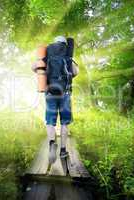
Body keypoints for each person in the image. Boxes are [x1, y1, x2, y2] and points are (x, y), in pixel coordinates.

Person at [32, 36, 79, 164]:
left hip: (50, 92)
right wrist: (70, 64)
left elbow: (35, 67)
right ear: (64, 43)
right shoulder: (68, 55)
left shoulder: (47, 53)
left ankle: (52, 143)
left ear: (55, 42)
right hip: (65, 92)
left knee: (50, 121)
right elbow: (75, 72)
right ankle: (63, 150)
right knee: (64, 122)